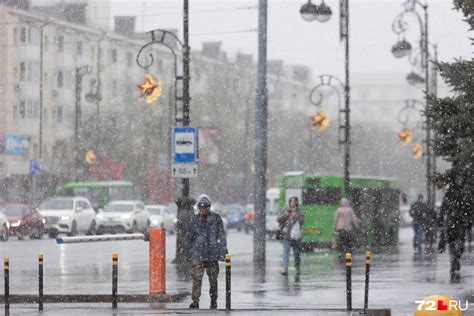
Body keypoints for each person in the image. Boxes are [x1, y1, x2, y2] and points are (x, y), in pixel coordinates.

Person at [187, 194, 228, 309]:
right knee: (197, 278)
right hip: (198, 253)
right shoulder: (194, 220)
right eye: (202, 206)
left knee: (213, 279)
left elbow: (222, 235)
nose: (204, 209)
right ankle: (195, 301)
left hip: (212, 253)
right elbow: (189, 237)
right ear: (199, 207)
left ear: (209, 207)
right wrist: (189, 253)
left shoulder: (216, 218)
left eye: (206, 206)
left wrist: (223, 250)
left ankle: (213, 300)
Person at [277, 196, 304, 279]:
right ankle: (285, 269)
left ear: (296, 202)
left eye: (294, 201)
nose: (292, 203)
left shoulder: (299, 212)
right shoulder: (285, 210)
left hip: (296, 236)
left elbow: (302, 221)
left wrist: (295, 216)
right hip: (287, 236)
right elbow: (278, 219)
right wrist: (285, 215)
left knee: (296, 254)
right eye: (291, 201)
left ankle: (297, 268)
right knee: (286, 253)